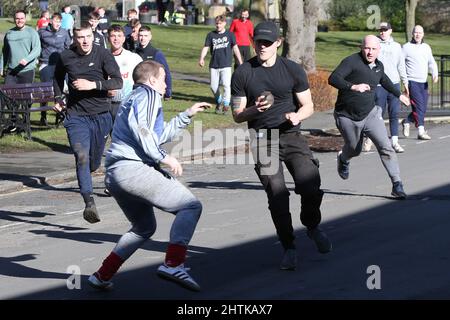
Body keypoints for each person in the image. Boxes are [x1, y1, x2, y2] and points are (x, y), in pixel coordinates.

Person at [87, 60, 210, 292]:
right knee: (190, 207)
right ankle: (173, 264)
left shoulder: (134, 97)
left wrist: (187, 115)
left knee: (143, 228)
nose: (166, 84)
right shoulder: (149, 95)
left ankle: (102, 275)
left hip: (116, 174)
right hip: (133, 169)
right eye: (164, 78)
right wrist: (164, 157)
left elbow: (156, 135)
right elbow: (144, 131)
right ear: (153, 80)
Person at [231, 21, 332, 271]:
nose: (262, 46)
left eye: (267, 42)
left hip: (291, 135)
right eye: (258, 42)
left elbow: (307, 104)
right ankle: (289, 247)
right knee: (277, 193)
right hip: (263, 139)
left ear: (278, 43)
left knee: (310, 183)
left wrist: (298, 116)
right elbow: (237, 114)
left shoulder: (292, 70)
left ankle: (311, 225)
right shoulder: (243, 72)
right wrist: (254, 110)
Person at [53, 22, 123, 224]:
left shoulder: (102, 54)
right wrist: (58, 99)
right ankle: (89, 202)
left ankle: (90, 170)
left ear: (93, 36)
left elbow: (118, 81)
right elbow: (57, 78)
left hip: (101, 115)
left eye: (88, 37)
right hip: (76, 116)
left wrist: (92, 85)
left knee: (92, 162)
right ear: (74, 39)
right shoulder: (66, 56)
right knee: (81, 155)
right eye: (80, 37)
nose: (85, 41)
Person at [328, 35, 410, 199]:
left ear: (379, 50)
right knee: (354, 149)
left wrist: (399, 95)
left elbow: (384, 80)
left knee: (386, 147)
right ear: (361, 47)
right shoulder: (351, 62)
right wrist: (353, 86)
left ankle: (397, 184)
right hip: (346, 115)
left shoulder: (379, 66)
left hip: (370, 114)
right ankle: (343, 159)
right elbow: (333, 78)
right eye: (367, 48)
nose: (370, 52)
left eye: (373, 49)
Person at [363, 22, 409, 153]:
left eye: (385, 30)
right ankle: (370, 138)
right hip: (379, 84)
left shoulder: (396, 47)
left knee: (394, 113)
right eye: (381, 30)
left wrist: (405, 83)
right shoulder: (375, 45)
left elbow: (401, 66)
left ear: (390, 31)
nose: (382, 32)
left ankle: (394, 142)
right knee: (378, 114)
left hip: (394, 84)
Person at [199, 15, 242, 114]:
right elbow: (205, 47)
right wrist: (201, 58)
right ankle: (219, 101)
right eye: (217, 23)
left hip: (226, 64)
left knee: (226, 85)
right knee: (213, 87)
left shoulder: (230, 35)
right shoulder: (211, 35)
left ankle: (226, 105)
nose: (218, 25)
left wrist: (240, 61)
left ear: (224, 24)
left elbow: (235, 48)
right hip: (214, 65)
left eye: (220, 23)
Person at [401, 25, 439, 140]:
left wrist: (434, 73)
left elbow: (431, 62)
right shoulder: (406, 47)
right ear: (412, 34)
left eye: (420, 33)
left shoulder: (426, 47)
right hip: (412, 82)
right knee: (419, 107)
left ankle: (407, 121)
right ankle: (421, 131)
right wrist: (405, 82)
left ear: (423, 34)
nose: (418, 35)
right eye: (416, 32)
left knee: (422, 108)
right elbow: (401, 65)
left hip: (423, 82)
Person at [38, 12, 71, 126]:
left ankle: (60, 115)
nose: (58, 23)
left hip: (60, 66)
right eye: (56, 21)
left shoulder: (64, 32)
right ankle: (43, 116)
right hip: (46, 64)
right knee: (45, 92)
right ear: (51, 21)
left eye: (60, 21)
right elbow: (37, 46)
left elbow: (68, 48)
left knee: (61, 90)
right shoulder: (42, 32)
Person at [107, 24, 142, 120]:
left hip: (126, 105)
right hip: (105, 104)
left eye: (119, 36)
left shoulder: (134, 58)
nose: (116, 39)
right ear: (108, 38)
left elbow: (142, 81)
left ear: (124, 39)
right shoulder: (101, 57)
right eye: (113, 36)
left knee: (122, 134)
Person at [1, 10, 41, 85]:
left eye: (22, 18)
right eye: (17, 18)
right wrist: (1, 67)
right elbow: (5, 52)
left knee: (24, 95)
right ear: (14, 19)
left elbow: (37, 50)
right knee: (7, 94)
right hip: (11, 70)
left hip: (27, 70)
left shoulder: (32, 32)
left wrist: (26, 59)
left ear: (25, 19)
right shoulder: (9, 33)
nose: (20, 21)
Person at [135, 26, 172, 100]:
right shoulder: (133, 53)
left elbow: (166, 72)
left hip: (153, 91)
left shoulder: (156, 53)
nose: (143, 38)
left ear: (150, 37)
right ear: (138, 36)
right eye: (141, 35)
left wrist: (168, 91)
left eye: (146, 36)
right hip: (136, 90)